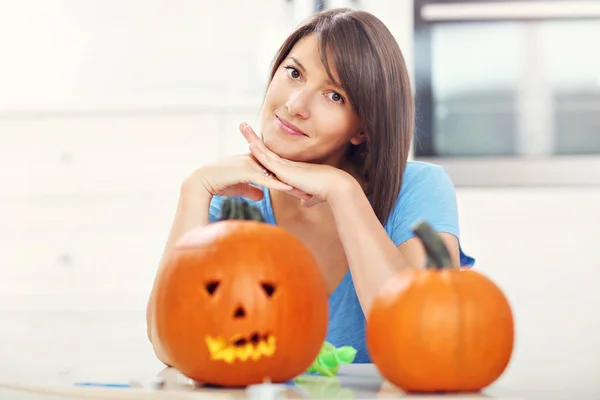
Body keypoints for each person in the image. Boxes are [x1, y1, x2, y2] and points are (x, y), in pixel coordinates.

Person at [146, 7, 475, 366]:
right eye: (294, 72)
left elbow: (423, 340)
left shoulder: (417, 188)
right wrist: (194, 188)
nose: (295, 104)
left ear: (362, 129)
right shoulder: (232, 200)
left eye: (334, 96)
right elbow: (170, 347)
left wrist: (342, 191)